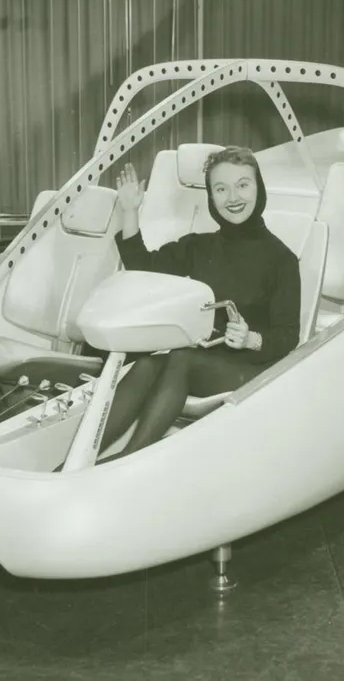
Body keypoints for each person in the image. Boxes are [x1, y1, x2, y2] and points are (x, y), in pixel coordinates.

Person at [89, 146, 303, 464]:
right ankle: (78, 462)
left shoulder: (281, 259)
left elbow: (288, 337)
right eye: (221, 188)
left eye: (243, 185)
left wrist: (250, 338)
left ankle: (129, 460)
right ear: (211, 196)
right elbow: (143, 267)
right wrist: (130, 210)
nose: (233, 197)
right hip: (201, 361)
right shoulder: (199, 245)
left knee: (180, 357)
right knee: (149, 362)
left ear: (259, 188)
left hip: (252, 370)